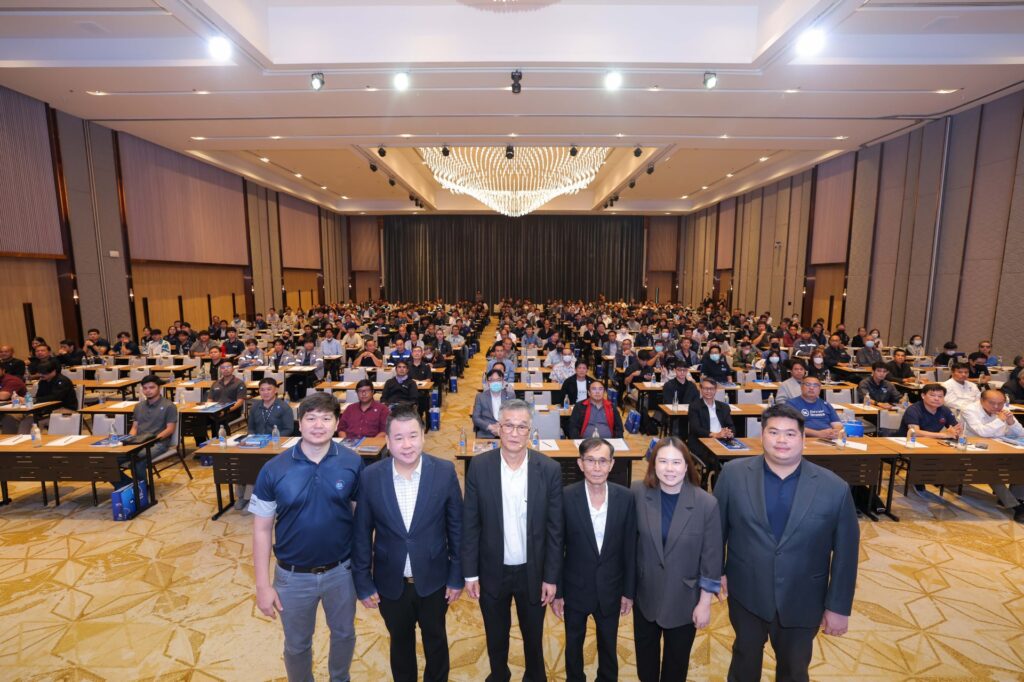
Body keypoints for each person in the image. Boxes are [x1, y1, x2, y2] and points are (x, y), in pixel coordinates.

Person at [715, 403, 860, 682]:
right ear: (762, 435)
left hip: (803, 598)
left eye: (790, 434)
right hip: (746, 592)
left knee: (794, 670)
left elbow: (846, 554)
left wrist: (838, 607)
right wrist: (716, 571)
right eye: (774, 432)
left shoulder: (834, 488)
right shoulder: (733, 475)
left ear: (803, 438)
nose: (781, 440)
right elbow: (716, 530)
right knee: (744, 662)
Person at [250, 392, 362, 682]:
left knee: (344, 634)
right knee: (297, 645)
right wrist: (262, 586)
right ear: (299, 424)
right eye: (311, 418)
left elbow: (360, 520)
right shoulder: (273, 469)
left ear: (337, 423)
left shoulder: (352, 462)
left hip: (341, 572)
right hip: (292, 577)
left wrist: (365, 568)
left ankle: (340, 678)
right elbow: (261, 530)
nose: (318, 425)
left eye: (326, 418)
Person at [352, 406, 463, 682]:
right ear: (388, 442)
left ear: (423, 437)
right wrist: (363, 581)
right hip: (390, 582)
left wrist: (456, 576)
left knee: (436, 640)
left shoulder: (444, 472)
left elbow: (457, 529)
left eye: (413, 436)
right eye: (399, 438)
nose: (407, 444)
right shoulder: (371, 476)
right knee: (400, 643)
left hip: (435, 580)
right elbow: (362, 532)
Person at [462, 399, 563, 682]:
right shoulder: (479, 467)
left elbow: (556, 530)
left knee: (534, 636)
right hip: (492, 570)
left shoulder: (549, 469)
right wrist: (470, 573)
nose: (515, 433)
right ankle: (499, 675)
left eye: (522, 427)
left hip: (534, 572)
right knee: (496, 636)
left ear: (530, 430)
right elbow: (470, 524)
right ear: (498, 428)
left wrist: (551, 576)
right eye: (508, 426)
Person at [632, 437, 721, 681]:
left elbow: (712, 559)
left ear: (687, 465)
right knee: (645, 668)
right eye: (663, 461)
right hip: (645, 596)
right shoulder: (638, 493)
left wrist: (705, 604)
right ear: (653, 464)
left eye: (676, 462)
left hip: (684, 600)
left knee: (675, 668)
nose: (669, 469)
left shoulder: (706, 504)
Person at [552, 438, 637, 682]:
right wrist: (558, 592)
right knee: (573, 644)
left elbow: (630, 548)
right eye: (590, 460)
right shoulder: (565, 497)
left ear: (612, 464)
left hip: (611, 587)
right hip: (575, 588)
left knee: (609, 645)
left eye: (602, 461)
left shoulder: (626, 498)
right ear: (580, 464)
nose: (597, 467)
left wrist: (629, 591)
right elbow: (557, 548)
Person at [961, 389, 1024, 520]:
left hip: (999, 446)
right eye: (992, 403)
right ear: (981, 401)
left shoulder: (1004, 409)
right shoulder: (969, 410)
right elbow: (982, 432)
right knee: (990, 471)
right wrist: (1000, 420)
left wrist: (1011, 422)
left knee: (1020, 463)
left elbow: (1021, 433)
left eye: (1000, 403)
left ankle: (1018, 498)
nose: (996, 406)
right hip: (974, 449)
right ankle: (1015, 506)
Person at [236, 378, 295, 509]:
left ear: (276, 390)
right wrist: (252, 439)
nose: (265, 392)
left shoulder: (284, 407)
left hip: (275, 446)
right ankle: (240, 496)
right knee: (240, 462)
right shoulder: (255, 406)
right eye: (262, 390)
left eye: (269, 389)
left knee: (256, 466)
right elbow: (251, 428)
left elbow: (288, 429)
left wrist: (271, 440)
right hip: (256, 444)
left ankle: (249, 498)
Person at [122, 374, 178, 485]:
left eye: (152, 387)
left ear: (159, 388)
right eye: (145, 388)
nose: (148, 391)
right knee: (109, 460)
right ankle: (129, 486)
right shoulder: (139, 406)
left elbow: (170, 429)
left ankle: (142, 488)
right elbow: (134, 427)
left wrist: (152, 441)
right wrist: (129, 440)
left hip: (158, 443)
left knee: (137, 461)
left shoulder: (169, 406)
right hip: (138, 442)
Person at [785, 375, 844, 439]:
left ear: (820, 389)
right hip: (805, 439)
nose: (811, 388)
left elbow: (837, 424)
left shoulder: (826, 404)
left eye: (815, 385)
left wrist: (835, 432)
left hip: (828, 439)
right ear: (801, 387)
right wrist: (817, 434)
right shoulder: (791, 404)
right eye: (808, 384)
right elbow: (790, 426)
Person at [472, 367, 515, 438]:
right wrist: (490, 427)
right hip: (486, 433)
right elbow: (476, 417)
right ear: (488, 382)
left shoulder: (510, 396)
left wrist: (501, 426)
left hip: (506, 432)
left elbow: (514, 415)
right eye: (492, 380)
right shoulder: (480, 397)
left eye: (498, 380)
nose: (495, 382)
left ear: (503, 381)